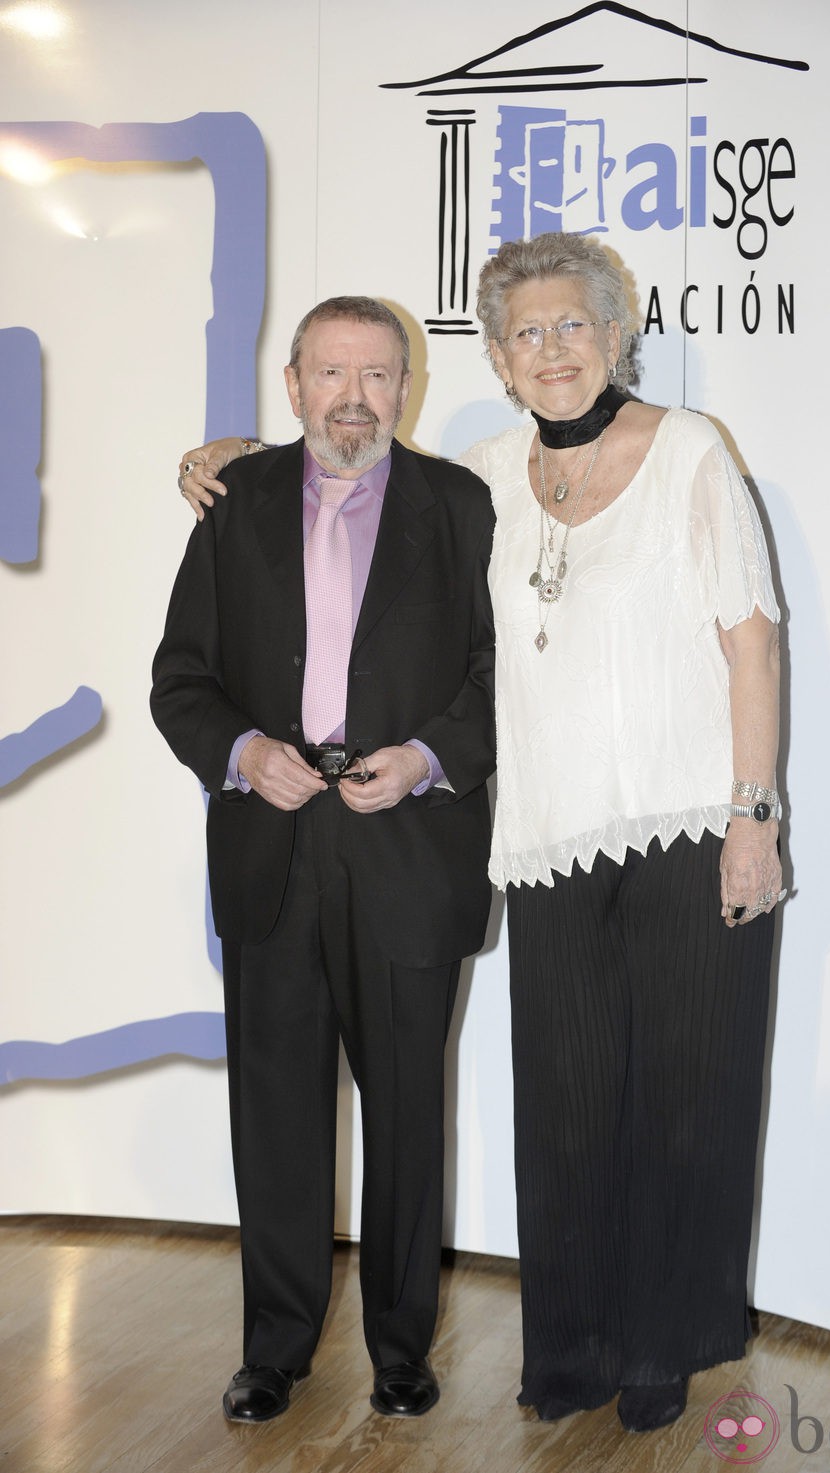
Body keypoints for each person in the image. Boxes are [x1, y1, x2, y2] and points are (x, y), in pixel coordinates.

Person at [176, 233, 784, 1435]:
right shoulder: (490, 477)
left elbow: (747, 639)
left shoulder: (674, 456)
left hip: (669, 823)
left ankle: (656, 1343)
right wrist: (237, 459)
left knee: (675, 1099)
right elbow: (324, 514)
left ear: (615, 336)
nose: (549, 349)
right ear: (497, 363)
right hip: (546, 840)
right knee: (562, 1105)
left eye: (572, 326)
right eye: (524, 333)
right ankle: (567, 1346)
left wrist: (752, 815)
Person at [152, 296, 495, 1426]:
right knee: (276, 1113)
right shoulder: (232, 501)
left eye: (378, 374)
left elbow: (499, 682)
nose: (355, 396)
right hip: (272, 847)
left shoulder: (461, 506)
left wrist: (430, 759)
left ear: (407, 387)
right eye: (332, 372)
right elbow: (181, 678)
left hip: (408, 844)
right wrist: (245, 753)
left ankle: (401, 1350)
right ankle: (275, 1349)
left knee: (406, 1117)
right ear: (292, 384)